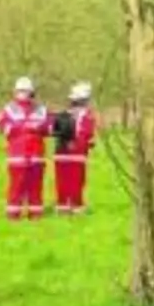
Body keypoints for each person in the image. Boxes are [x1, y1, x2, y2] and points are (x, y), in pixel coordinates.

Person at [0, 77, 50, 221]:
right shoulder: (8, 110)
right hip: (18, 156)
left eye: (25, 91)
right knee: (16, 187)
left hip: (36, 156)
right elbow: (3, 127)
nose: (23, 94)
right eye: (20, 91)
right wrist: (25, 128)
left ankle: (36, 215)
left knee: (35, 188)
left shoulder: (41, 110)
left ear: (32, 92)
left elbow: (49, 128)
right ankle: (13, 215)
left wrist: (37, 128)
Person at [52, 82, 98, 215]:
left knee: (62, 180)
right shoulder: (87, 115)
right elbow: (87, 134)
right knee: (77, 181)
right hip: (77, 153)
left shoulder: (64, 114)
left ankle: (62, 205)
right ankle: (76, 206)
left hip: (60, 152)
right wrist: (90, 143)